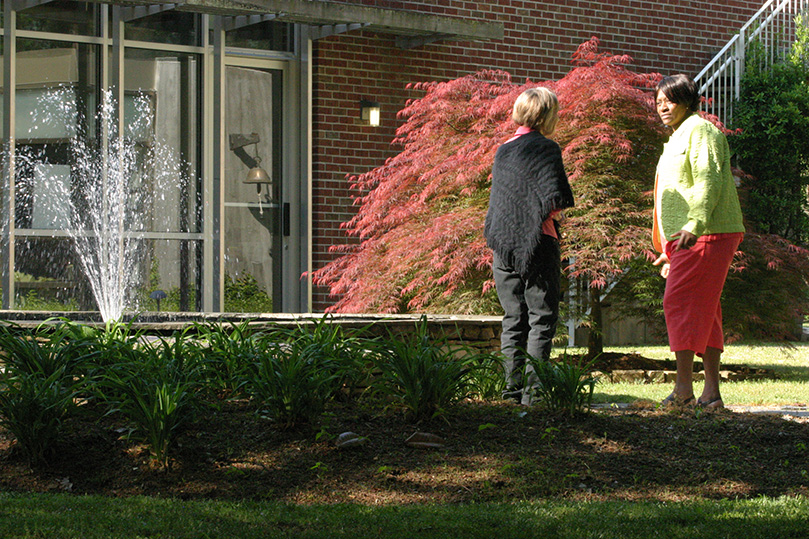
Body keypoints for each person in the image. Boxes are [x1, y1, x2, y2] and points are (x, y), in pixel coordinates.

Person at [651, 74, 745, 410]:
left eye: (670, 100)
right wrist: (668, 249)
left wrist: (695, 224)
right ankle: (711, 395)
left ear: (689, 101)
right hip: (691, 236)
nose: (663, 106)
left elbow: (709, 180)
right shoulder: (678, 136)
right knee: (706, 310)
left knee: (679, 303)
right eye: (659, 100)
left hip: (707, 232)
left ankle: (683, 391)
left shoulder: (700, 131)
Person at [484, 87, 575, 406]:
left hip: (503, 245)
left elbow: (502, 200)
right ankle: (534, 395)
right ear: (547, 115)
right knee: (542, 317)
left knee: (513, 318)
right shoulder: (547, 148)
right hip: (538, 243)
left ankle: (511, 392)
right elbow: (553, 200)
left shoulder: (503, 149)